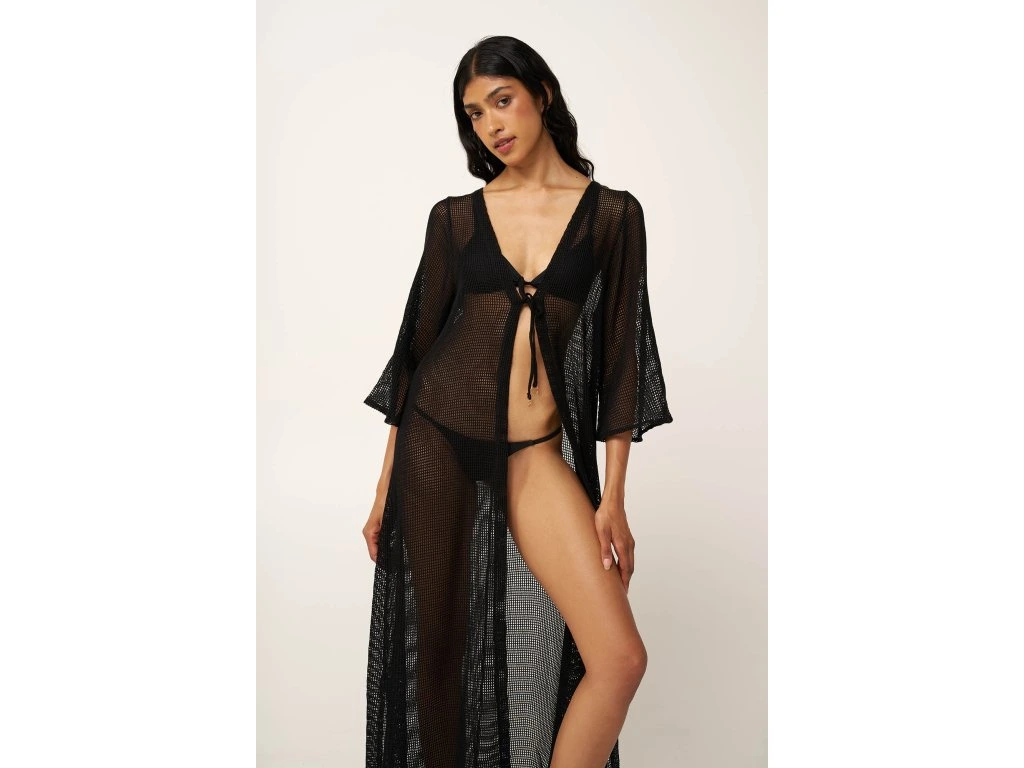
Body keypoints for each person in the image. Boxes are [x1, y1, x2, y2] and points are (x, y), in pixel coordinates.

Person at [361, 35, 673, 768]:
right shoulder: (455, 218)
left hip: (533, 455)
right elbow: (412, 358)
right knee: (439, 670)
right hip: (438, 444)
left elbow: (622, 361)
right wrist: (383, 490)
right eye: (474, 114)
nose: (491, 124)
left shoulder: (612, 216)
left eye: (502, 101)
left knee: (619, 659)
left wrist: (613, 498)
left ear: (543, 94)